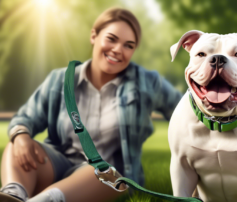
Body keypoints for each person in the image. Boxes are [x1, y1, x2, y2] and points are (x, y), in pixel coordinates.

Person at [0, 7, 182, 202]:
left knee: (97, 174)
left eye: (128, 45)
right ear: (94, 36)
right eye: (111, 39)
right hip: (57, 165)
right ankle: (13, 195)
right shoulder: (60, 80)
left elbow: (185, 111)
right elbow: (25, 118)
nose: (118, 50)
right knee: (16, 143)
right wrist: (20, 136)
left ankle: (46, 199)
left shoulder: (148, 83)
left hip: (107, 176)